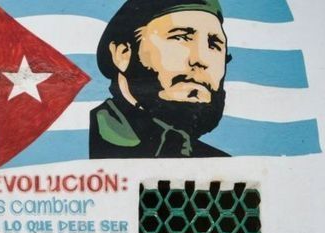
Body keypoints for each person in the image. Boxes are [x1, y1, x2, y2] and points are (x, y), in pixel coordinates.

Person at [89, 0, 232, 158]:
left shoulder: (221, 163)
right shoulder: (90, 140)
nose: (201, 59)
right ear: (122, 54)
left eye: (214, 45)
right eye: (181, 37)